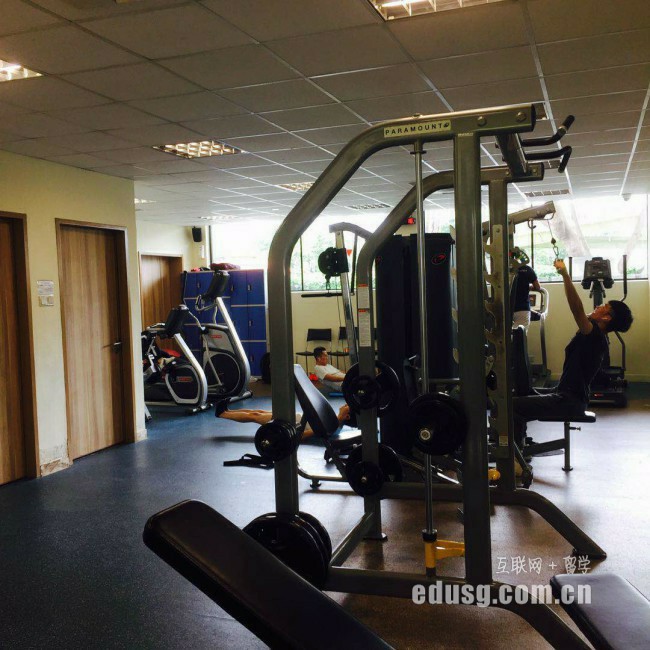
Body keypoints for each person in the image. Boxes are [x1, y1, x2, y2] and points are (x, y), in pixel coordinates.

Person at [513, 259, 633, 446]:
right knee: (522, 394)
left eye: (603, 307)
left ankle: (513, 454)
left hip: (569, 402)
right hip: (566, 395)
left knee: (510, 407)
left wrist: (565, 275)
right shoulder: (596, 335)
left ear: (606, 317)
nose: (597, 307)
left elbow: (577, 309)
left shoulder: (595, 336)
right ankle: (519, 443)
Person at [215, 399, 351, 439]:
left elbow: (301, 435)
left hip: (291, 422)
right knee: (258, 412)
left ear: (347, 416)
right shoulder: (335, 422)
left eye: (347, 407)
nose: (345, 404)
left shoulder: (331, 428)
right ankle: (228, 411)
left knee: (255, 416)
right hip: (295, 416)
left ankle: (223, 414)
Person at [512, 259, 541, 331]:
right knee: (520, 334)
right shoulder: (527, 269)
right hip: (522, 308)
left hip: (506, 308)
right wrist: (528, 287)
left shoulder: (504, 269)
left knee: (505, 335)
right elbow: (537, 287)